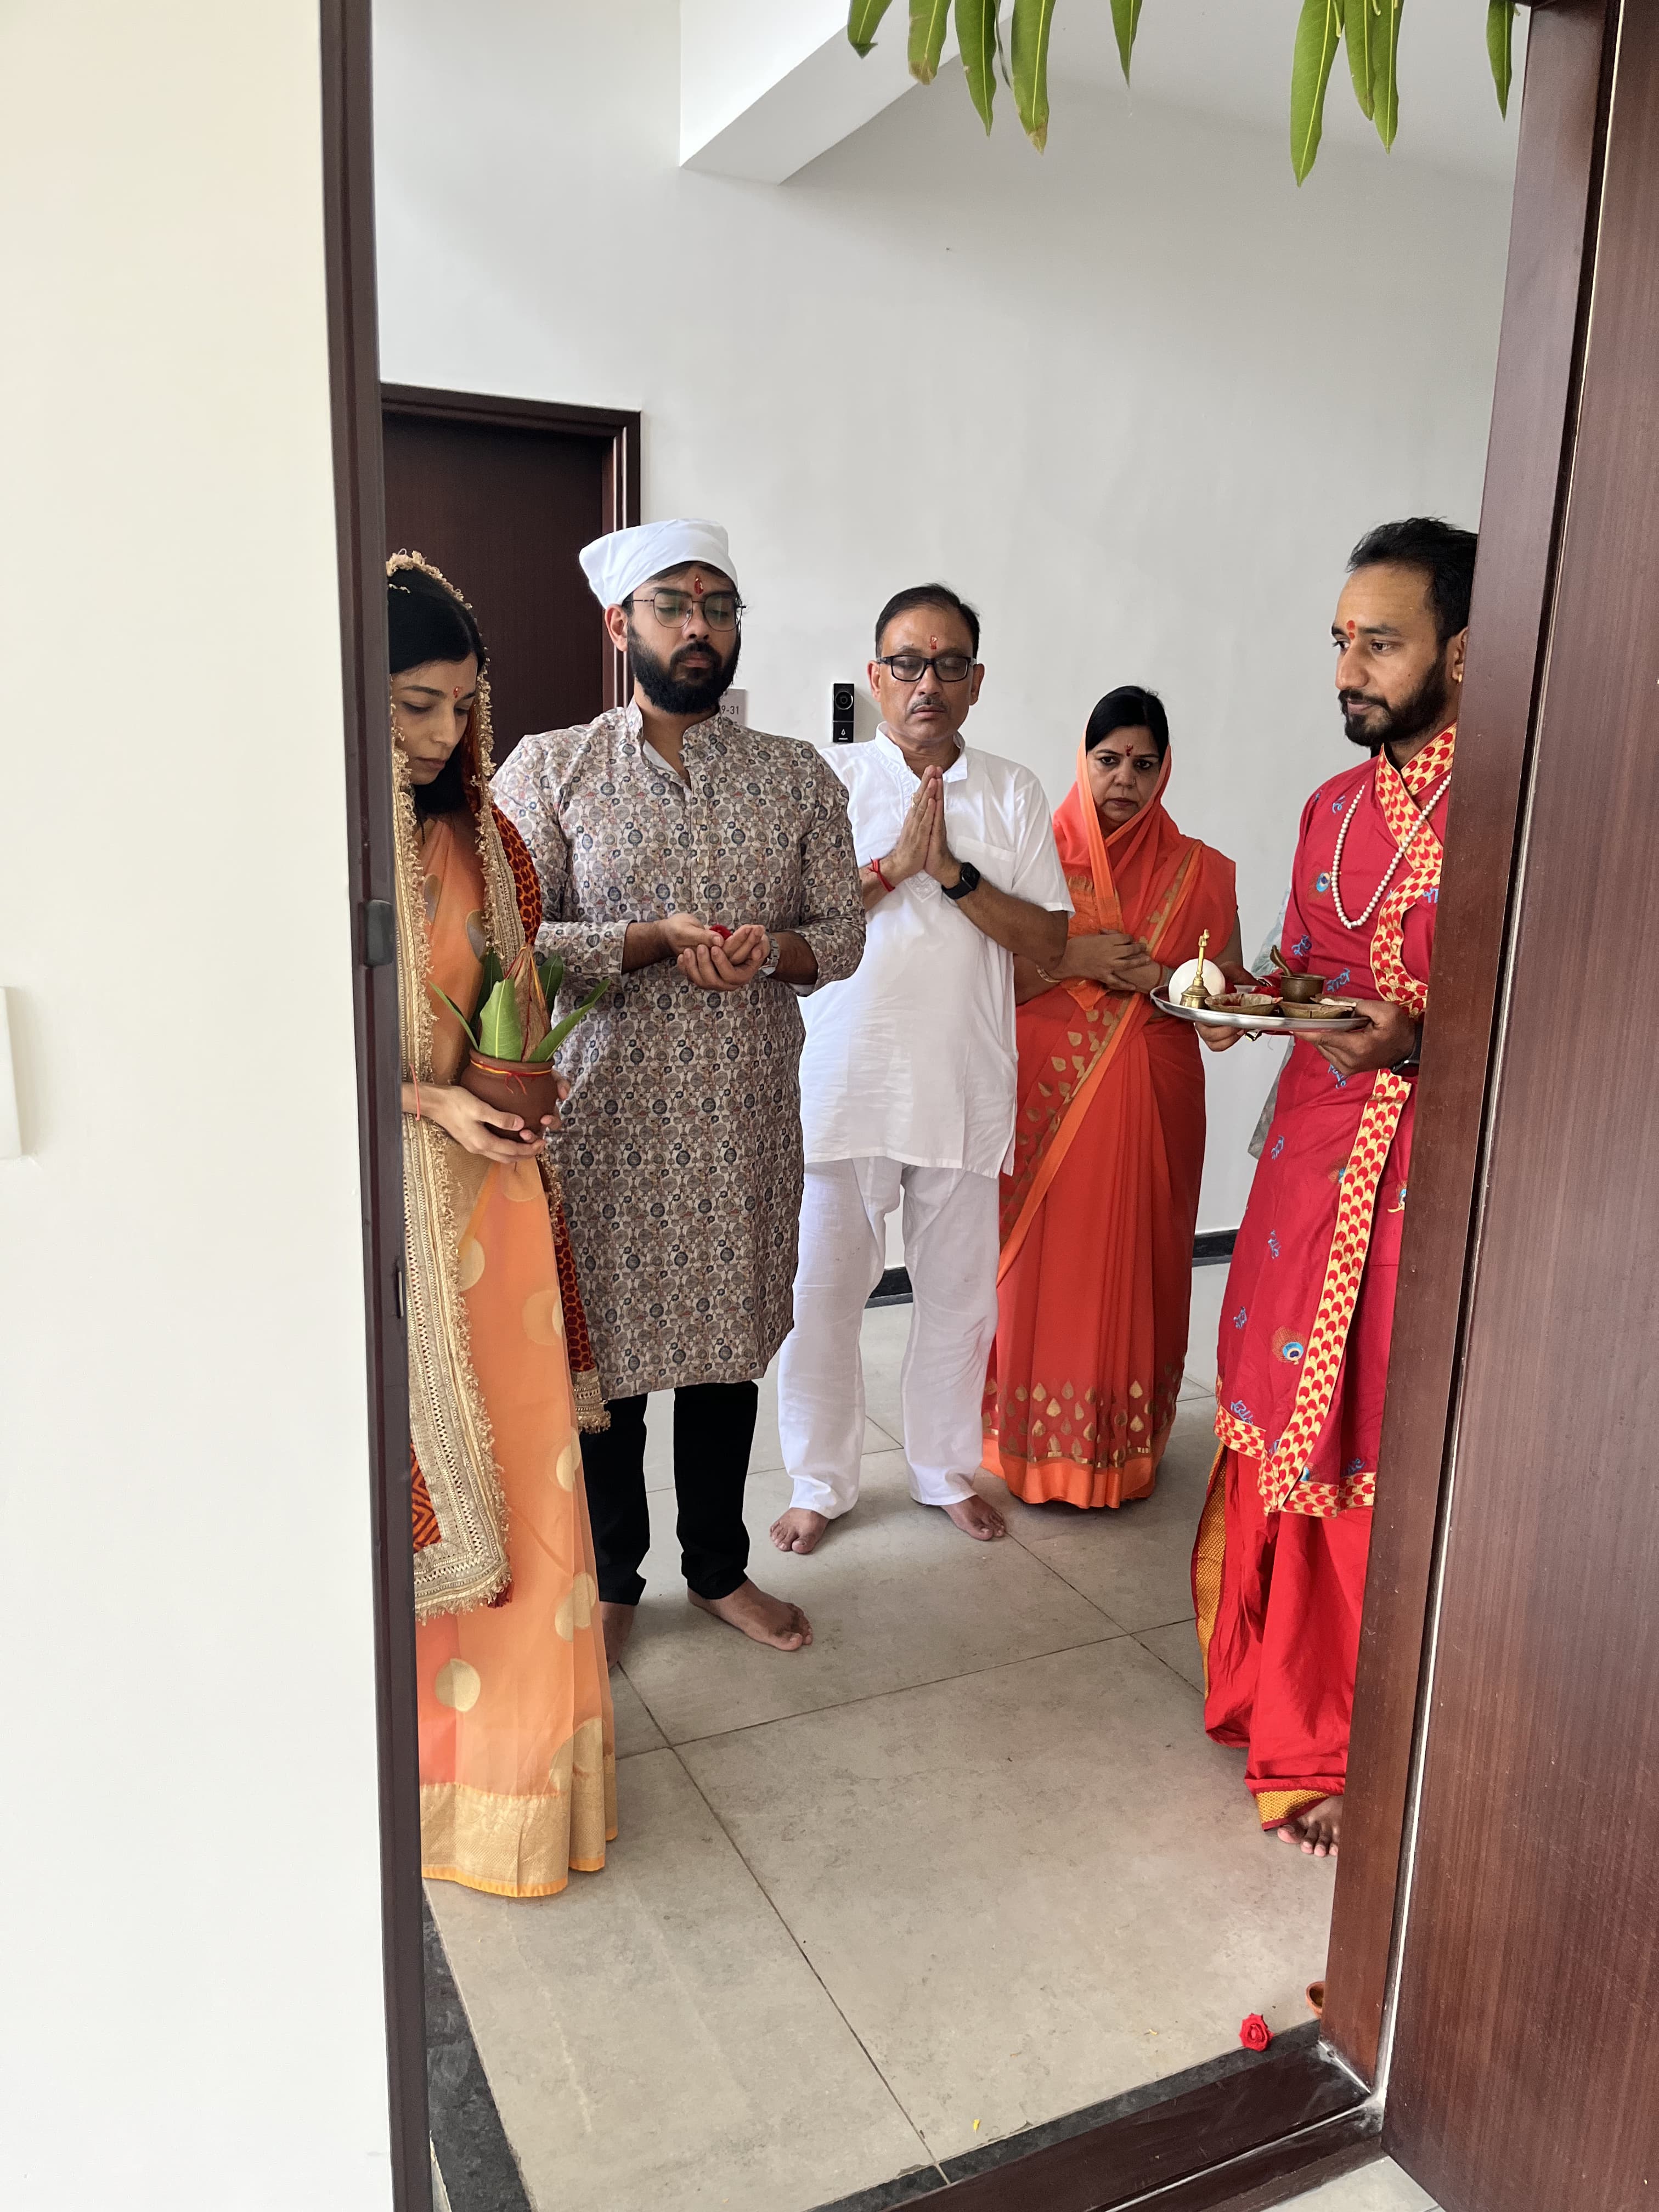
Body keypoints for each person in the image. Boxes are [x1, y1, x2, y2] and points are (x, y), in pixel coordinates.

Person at [493, 519, 865, 1661]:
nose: (699, 626)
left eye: (719, 606)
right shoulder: (551, 770)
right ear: (622, 626)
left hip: (740, 1117)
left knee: (724, 1348)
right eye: (674, 605)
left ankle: (717, 1569)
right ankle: (614, 1578)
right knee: (606, 1358)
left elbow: (841, 934)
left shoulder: (795, 775)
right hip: (604, 1119)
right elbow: (510, 940)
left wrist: (773, 952)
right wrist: (649, 940)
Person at [1192, 517, 1476, 1857]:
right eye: (1341, 642)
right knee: (1283, 1401)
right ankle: (1282, 1704)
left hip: (1432, 1175)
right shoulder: (1333, 806)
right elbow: (1308, 962)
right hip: (1313, 1162)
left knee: (1380, 1426)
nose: (1349, 671)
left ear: (1464, 653)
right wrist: (1240, 1002)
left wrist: (1419, 1040)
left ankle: (1362, 1731)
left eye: (1382, 643)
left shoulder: (1520, 808)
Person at [390, 552, 616, 1900]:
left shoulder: (491, 839)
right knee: (424, 1492)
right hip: (398, 1222)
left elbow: (513, 1004)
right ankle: (429, 1783)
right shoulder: (317, 847)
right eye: (414, 705)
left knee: (535, 1489)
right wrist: (430, 1102)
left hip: (506, 1210)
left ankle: (528, 1782)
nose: (442, 735)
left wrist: (517, 1085)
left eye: (463, 705)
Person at [772, 583, 1071, 1556]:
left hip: (961, 1084)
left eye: (949, 665)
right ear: (876, 676)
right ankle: (820, 1481)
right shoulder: (825, 779)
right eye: (907, 663)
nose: (927, 683)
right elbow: (791, 932)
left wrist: (952, 874)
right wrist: (895, 867)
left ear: (977, 681)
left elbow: (1049, 943)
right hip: (843, 1083)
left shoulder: (1013, 791)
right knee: (821, 1301)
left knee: (958, 1302)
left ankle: (944, 1470)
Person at [984, 688, 1242, 1509]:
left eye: (1143, 763)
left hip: (1157, 1097)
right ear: (1083, 759)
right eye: (1108, 760)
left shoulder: (1201, 870)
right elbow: (989, 982)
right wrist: (1080, 958)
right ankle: (1022, 1444)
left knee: (1143, 1260)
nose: (1124, 779)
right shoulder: (1033, 856)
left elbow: (1220, 985)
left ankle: (1122, 1450)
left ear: (1165, 771)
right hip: (1043, 1093)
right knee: (1039, 1270)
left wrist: (1181, 988)